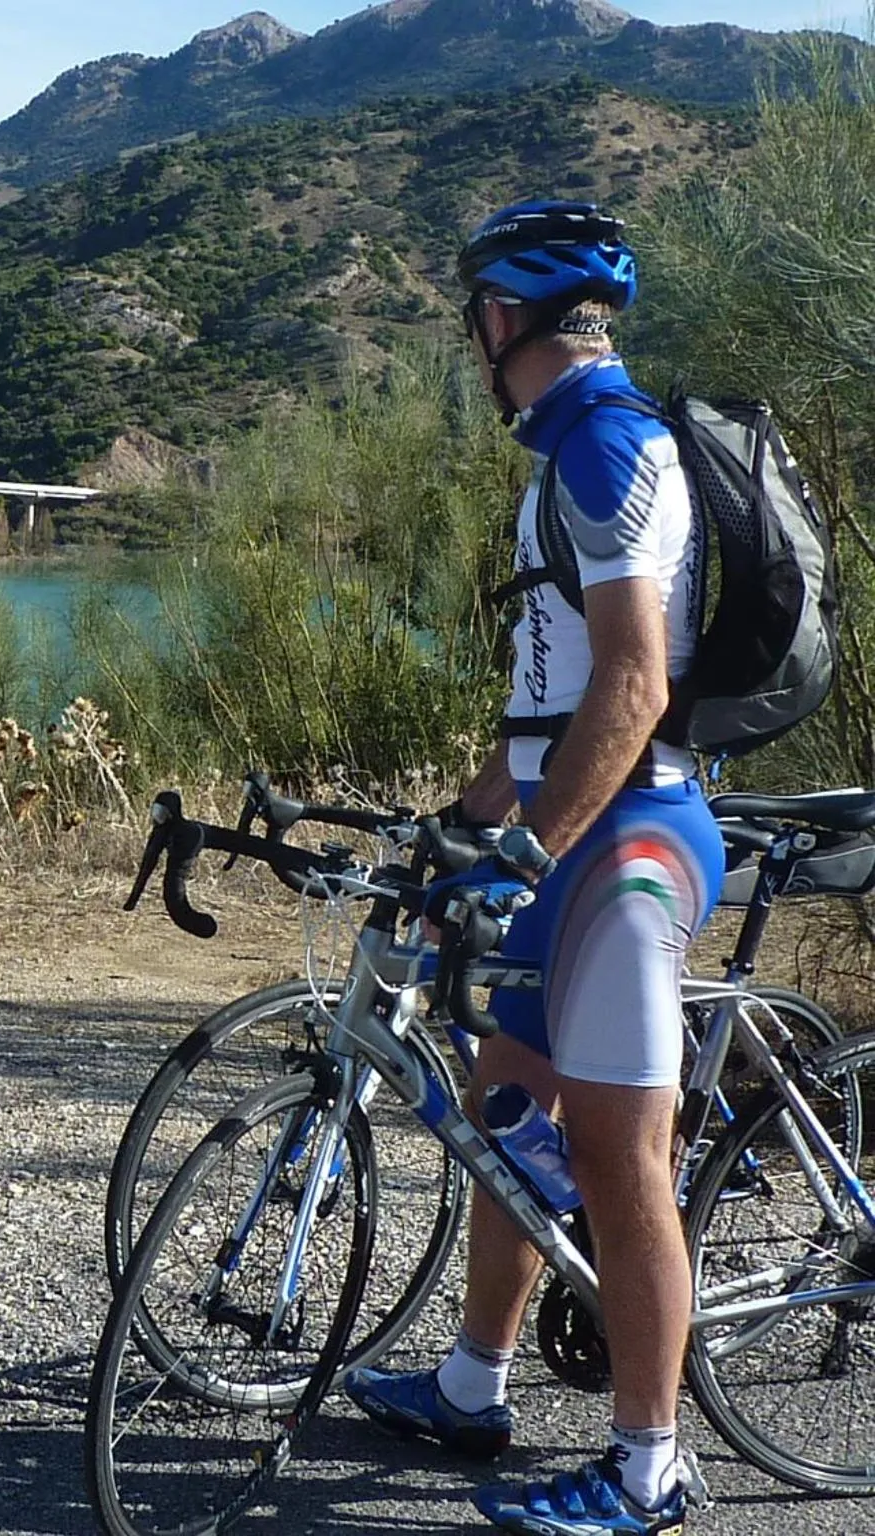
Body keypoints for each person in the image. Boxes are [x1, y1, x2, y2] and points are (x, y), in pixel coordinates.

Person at [344, 200, 724, 1534]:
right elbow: (547, 707)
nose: (474, 345)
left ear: (505, 319)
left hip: (630, 849)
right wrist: (450, 833)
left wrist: (528, 850)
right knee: (505, 1115)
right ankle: (471, 1386)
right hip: (575, 841)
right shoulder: (562, 456)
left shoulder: (609, 448)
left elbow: (634, 680)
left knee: (621, 1161)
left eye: (477, 323)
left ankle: (649, 1466)